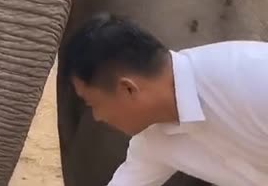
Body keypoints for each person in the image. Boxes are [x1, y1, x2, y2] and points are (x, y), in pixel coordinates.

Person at [61, 14, 268, 186]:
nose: (97, 117)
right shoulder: (153, 142)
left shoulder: (254, 78)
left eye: (94, 104)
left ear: (128, 89)